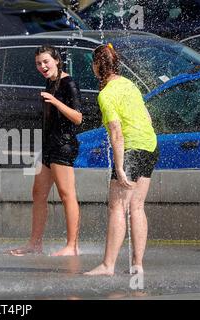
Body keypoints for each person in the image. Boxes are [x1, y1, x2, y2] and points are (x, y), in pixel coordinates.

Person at [85, 44, 159, 276]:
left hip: (132, 149)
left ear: (97, 66)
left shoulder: (106, 94)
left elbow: (116, 133)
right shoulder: (129, 84)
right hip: (150, 145)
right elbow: (146, 116)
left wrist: (120, 166)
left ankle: (108, 265)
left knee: (117, 207)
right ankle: (137, 265)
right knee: (137, 206)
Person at [9, 45, 83, 257]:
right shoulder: (51, 81)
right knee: (38, 193)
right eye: (38, 63)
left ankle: (72, 246)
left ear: (57, 61)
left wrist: (55, 102)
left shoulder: (69, 83)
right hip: (48, 146)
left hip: (64, 145)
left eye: (46, 62)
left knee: (67, 194)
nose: (42, 66)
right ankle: (35, 243)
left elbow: (78, 118)